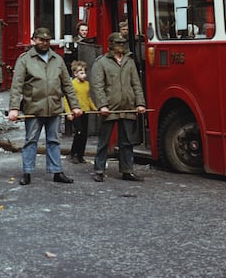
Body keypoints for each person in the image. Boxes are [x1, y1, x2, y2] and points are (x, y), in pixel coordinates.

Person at [8, 27, 82, 185]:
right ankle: (27, 172)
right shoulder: (25, 59)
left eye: (47, 40)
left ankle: (56, 171)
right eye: (41, 39)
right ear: (33, 40)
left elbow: (67, 85)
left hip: (54, 107)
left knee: (54, 141)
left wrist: (75, 106)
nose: (44, 42)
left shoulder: (57, 59)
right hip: (33, 107)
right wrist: (13, 108)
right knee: (30, 141)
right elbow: (17, 85)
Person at [89, 32, 147, 182]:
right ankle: (99, 169)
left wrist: (140, 103)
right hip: (109, 107)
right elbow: (97, 86)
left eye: (122, 44)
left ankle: (127, 170)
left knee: (127, 141)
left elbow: (136, 84)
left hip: (127, 106)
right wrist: (102, 105)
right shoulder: (101, 62)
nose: (121, 47)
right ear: (111, 45)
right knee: (104, 141)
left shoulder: (129, 61)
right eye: (118, 44)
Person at [64, 60, 97, 164]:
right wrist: (68, 112)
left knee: (84, 134)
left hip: (85, 111)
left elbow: (88, 98)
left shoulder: (86, 84)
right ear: (75, 73)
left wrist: (95, 109)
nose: (84, 75)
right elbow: (66, 99)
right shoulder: (72, 84)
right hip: (76, 112)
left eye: (85, 72)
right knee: (79, 132)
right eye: (81, 73)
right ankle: (73, 154)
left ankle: (80, 155)